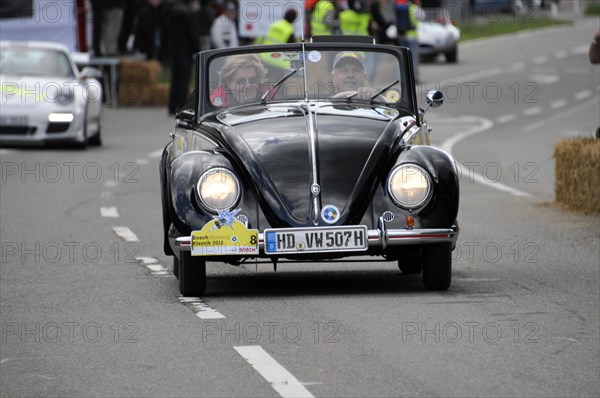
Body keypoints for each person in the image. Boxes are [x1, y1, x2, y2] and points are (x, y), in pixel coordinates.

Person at [166, 0, 200, 115]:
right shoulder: (189, 13)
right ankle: (181, 104)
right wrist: (197, 48)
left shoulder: (170, 11)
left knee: (175, 79)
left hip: (174, 50)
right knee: (184, 80)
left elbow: (166, 30)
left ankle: (171, 105)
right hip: (185, 51)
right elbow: (193, 33)